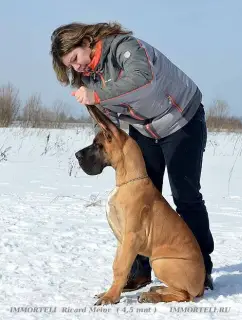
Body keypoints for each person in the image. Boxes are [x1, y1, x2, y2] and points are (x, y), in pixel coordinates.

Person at [50, 22, 214, 290]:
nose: (77, 67)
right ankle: (140, 271)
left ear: (87, 41)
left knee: (186, 195)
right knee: (141, 197)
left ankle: (201, 269)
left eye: (75, 59)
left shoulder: (124, 47)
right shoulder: (92, 77)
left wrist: (95, 94)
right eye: (70, 66)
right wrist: (101, 139)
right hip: (145, 128)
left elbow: (142, 78)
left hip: (182, 119)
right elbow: (107, 120)